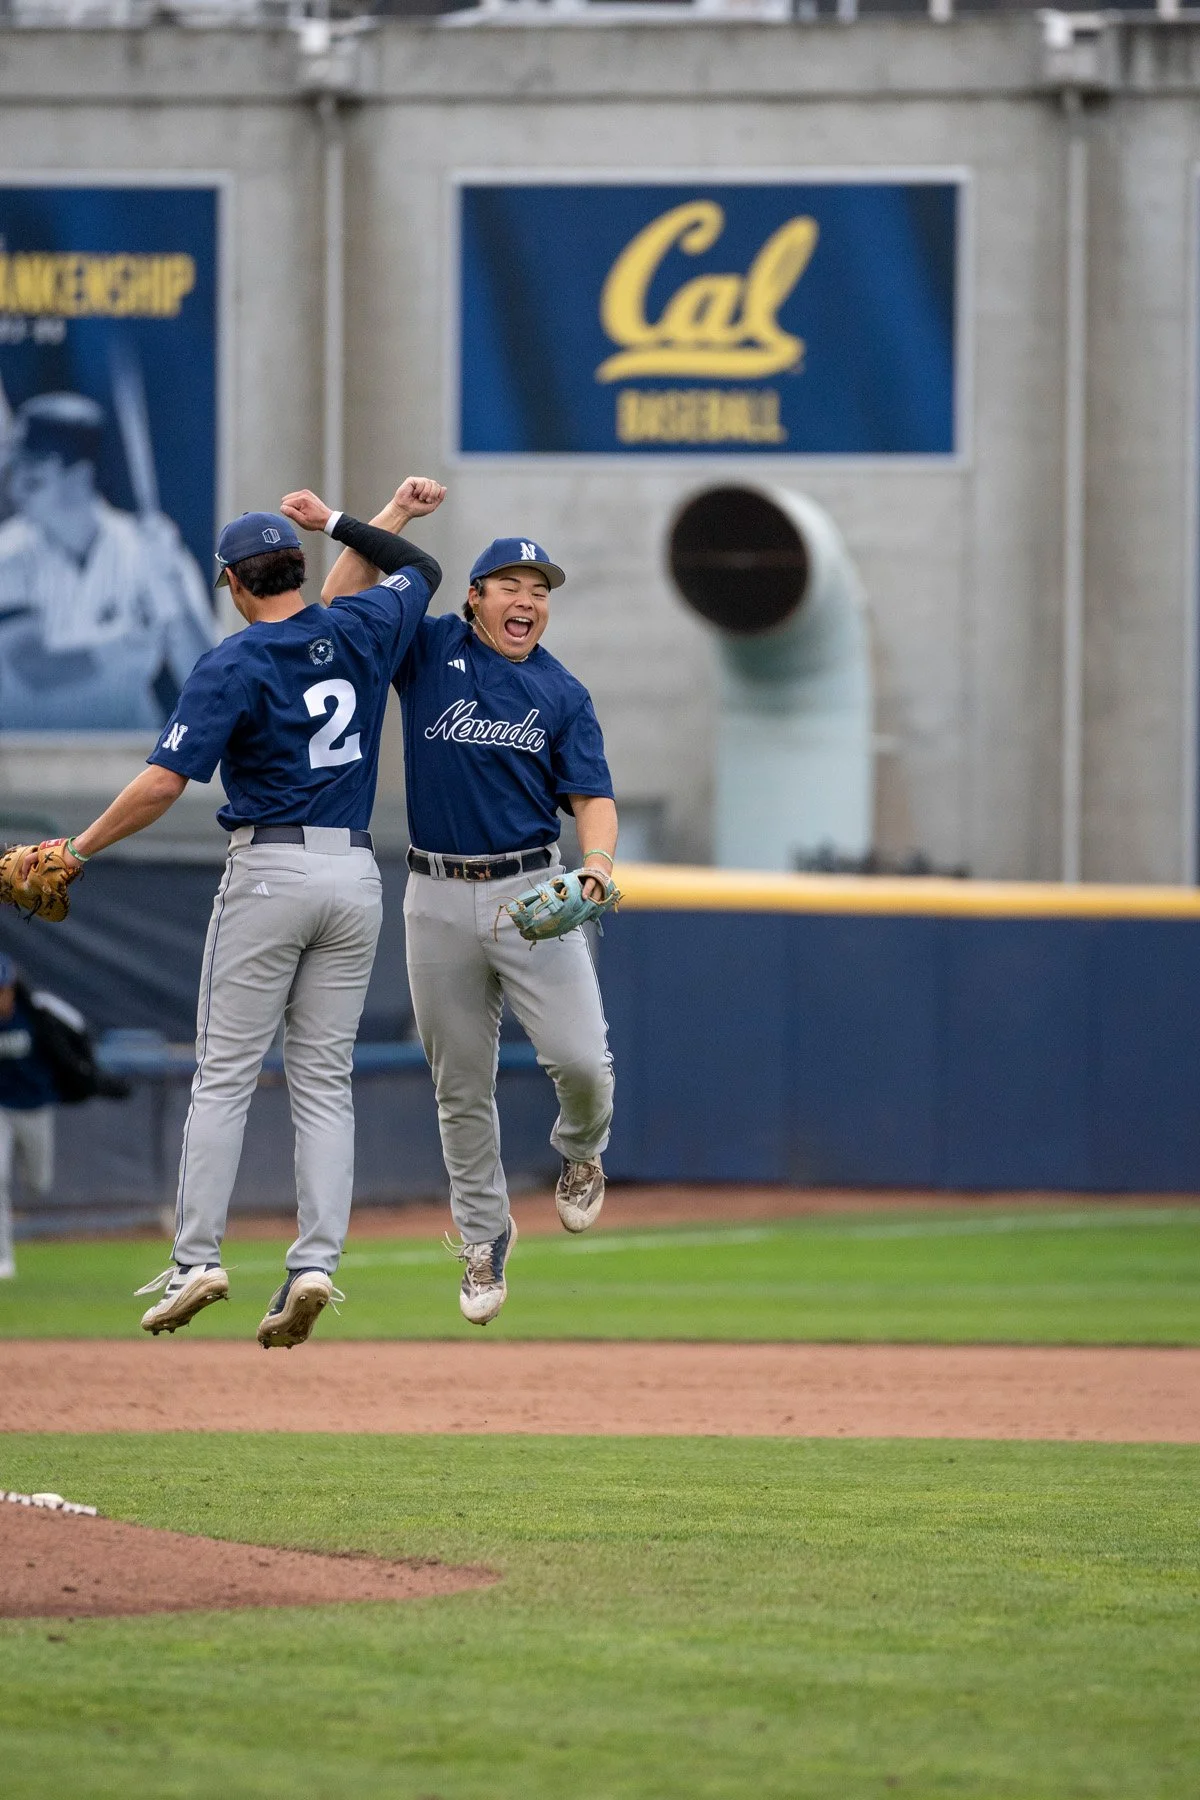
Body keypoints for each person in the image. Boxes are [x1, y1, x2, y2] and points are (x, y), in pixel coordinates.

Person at [35, 477, 446, 1345]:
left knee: (224, 1074)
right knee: (324, 1083)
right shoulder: (358, 628)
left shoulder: (233, 661)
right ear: (298, 566)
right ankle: (316, 1263)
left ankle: (197, 1258)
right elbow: (415, 571)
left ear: (231, 582)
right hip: (355, 876)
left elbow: (162, 784)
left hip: (270, 871)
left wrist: (76, 849)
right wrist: (380, 519)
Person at [282, 489, 617, 1328]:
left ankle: (581, 1151)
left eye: (539, 590)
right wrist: (391, 515)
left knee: (583, 1063)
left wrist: (599, 864)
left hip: (528, 889)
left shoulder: (561, 691)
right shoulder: (430, 648)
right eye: (511, 586)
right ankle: (483, 1235)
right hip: (433, 893)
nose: (528, 601)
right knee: (459, 1084)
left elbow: (592, 798)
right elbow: (340, 606)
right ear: (474, 597)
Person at [0, 392, 217, 730]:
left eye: (33, 468)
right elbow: (33, 668)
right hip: (35, 749)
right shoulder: (8, 553)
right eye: (16, 465)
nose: (16, 482)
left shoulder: (146, 549)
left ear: (79, 474)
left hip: (125, 745)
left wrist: (175, 595)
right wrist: (124, 647)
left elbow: (209, 680)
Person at [0, 951, 129, 1278]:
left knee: (38, 1184)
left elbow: (78, 1029)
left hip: (35, 1108)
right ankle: (3, 1259)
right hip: (2, 1108)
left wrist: (88, 1075)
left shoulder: (37, 1010)